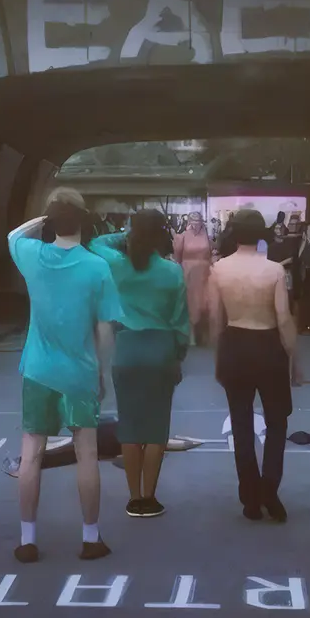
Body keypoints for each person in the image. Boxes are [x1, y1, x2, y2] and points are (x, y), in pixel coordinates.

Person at [8, 188, 115, 563]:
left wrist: (43, 218)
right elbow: (104, 329)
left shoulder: (31, 255)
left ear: (51, 221)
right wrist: (102, 373)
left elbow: (13, 236)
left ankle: (27, 540)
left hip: (37, 369)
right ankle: (90, 537)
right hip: (80, 373)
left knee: (31, 454)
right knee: (87, 454)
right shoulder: (97, 266)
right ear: (84, 222)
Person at [91, 209, 189, 517]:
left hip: (128, 348)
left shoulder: (119, 266)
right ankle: (150, 496)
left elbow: (96, 242)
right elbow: (181, 321)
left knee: (130, 427)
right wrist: (178, 355)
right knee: (157, 428)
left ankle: (133, 498)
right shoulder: (172, 271)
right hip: (161, 348)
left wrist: (128, 235)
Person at [210, 208, 297, 523]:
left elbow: (216, 319)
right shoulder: (274, 270)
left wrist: (219, 356)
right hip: (268, 344)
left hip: (235, 343)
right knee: (277, 421)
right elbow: (283, 318)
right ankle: (270, 489)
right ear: (262, 233)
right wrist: (294, 358)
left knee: (241, 421)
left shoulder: (219, 269)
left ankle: (249, 495)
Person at [172, 212, 216, 346]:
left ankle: (204, 335)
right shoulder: (183, 237)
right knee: (191, 302)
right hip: (189, 272)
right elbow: (177, 258)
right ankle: (190, 335)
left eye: (199, 221)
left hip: (205, 272)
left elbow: (210, 253)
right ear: (189, 221)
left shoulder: (207, 236)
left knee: (205, 303)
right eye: (194, 220)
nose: (196, 223)